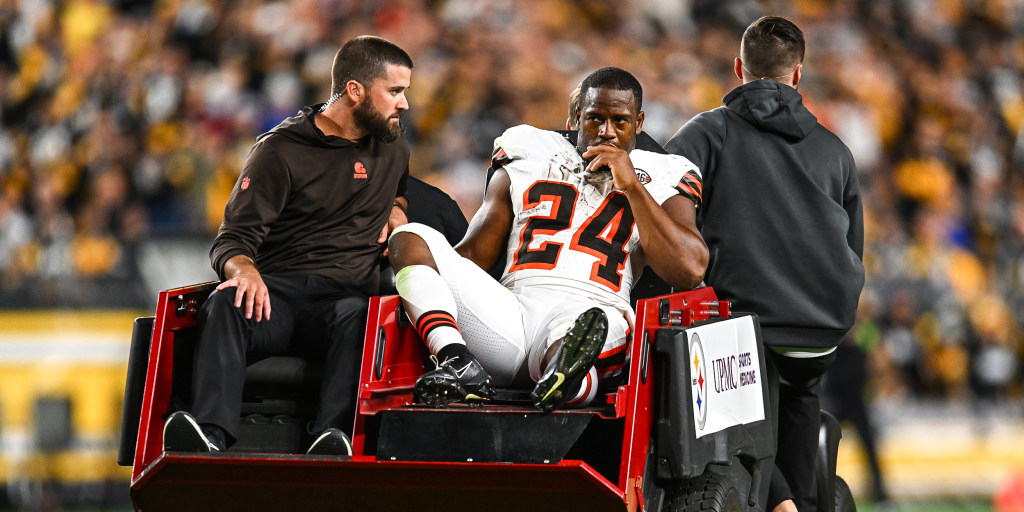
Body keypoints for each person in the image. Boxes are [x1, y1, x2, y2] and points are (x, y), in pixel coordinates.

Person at [388, 66, 708, 412]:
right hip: (509, 313)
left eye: (620, 121)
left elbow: (689, 269)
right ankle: (458, 360)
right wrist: (425, 283)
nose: (606, 132)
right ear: (575, 117)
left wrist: (632, 187)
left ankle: (566, 379)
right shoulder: (529, 148)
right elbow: (475, 253)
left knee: (578, 339)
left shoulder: (664, 172)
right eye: (594, 118)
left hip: (592, 308)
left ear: (639, 123)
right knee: (410, 236)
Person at [162, 35, 414, 456]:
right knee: (226, 302)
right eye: (395, 92)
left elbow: (400, 192)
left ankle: (332, 438)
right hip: (277, 296)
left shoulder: (393, 148)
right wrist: (245, 271)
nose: (403, 104)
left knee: (362, 314)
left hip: (344, 302)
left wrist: (397, 211)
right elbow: (232, 240)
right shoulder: (279, 151)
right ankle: (209, 435)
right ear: (355, 91)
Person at [665, 16, 864, 512]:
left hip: (743, 318)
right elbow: (854, 243)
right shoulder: (835, 150)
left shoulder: (708, 132)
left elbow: (661, 198)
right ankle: (802, 499)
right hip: (822, 322)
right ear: (797, 75)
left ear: (738, 67)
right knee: (799, 403)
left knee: (736, 425)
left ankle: (781, 504)